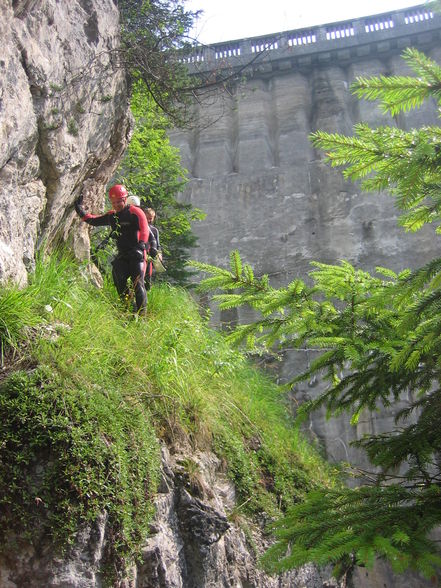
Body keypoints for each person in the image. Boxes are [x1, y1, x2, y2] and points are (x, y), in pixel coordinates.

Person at [75, 184, 157, 315]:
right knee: (119, 282)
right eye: (114, 202)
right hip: (123, 255)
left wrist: (141, 246)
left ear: (125, 199)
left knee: (138, 284)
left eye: (119, 201)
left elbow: (144, 229)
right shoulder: (112, 216)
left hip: (137, 254)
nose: (117, 204)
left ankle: (142, 315)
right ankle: (127, 310)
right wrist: (79, 209)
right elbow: (93, 220)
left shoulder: (135, 212)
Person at [144, 207, 162, 290]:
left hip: (149, 257)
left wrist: (159, 254)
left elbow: (158, 245)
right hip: (141, 254)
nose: (148, 220)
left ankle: (147, 294)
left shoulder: (154, 230)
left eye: (150, 218)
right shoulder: (139, 227)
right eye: (147, 218)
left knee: (147, 277)